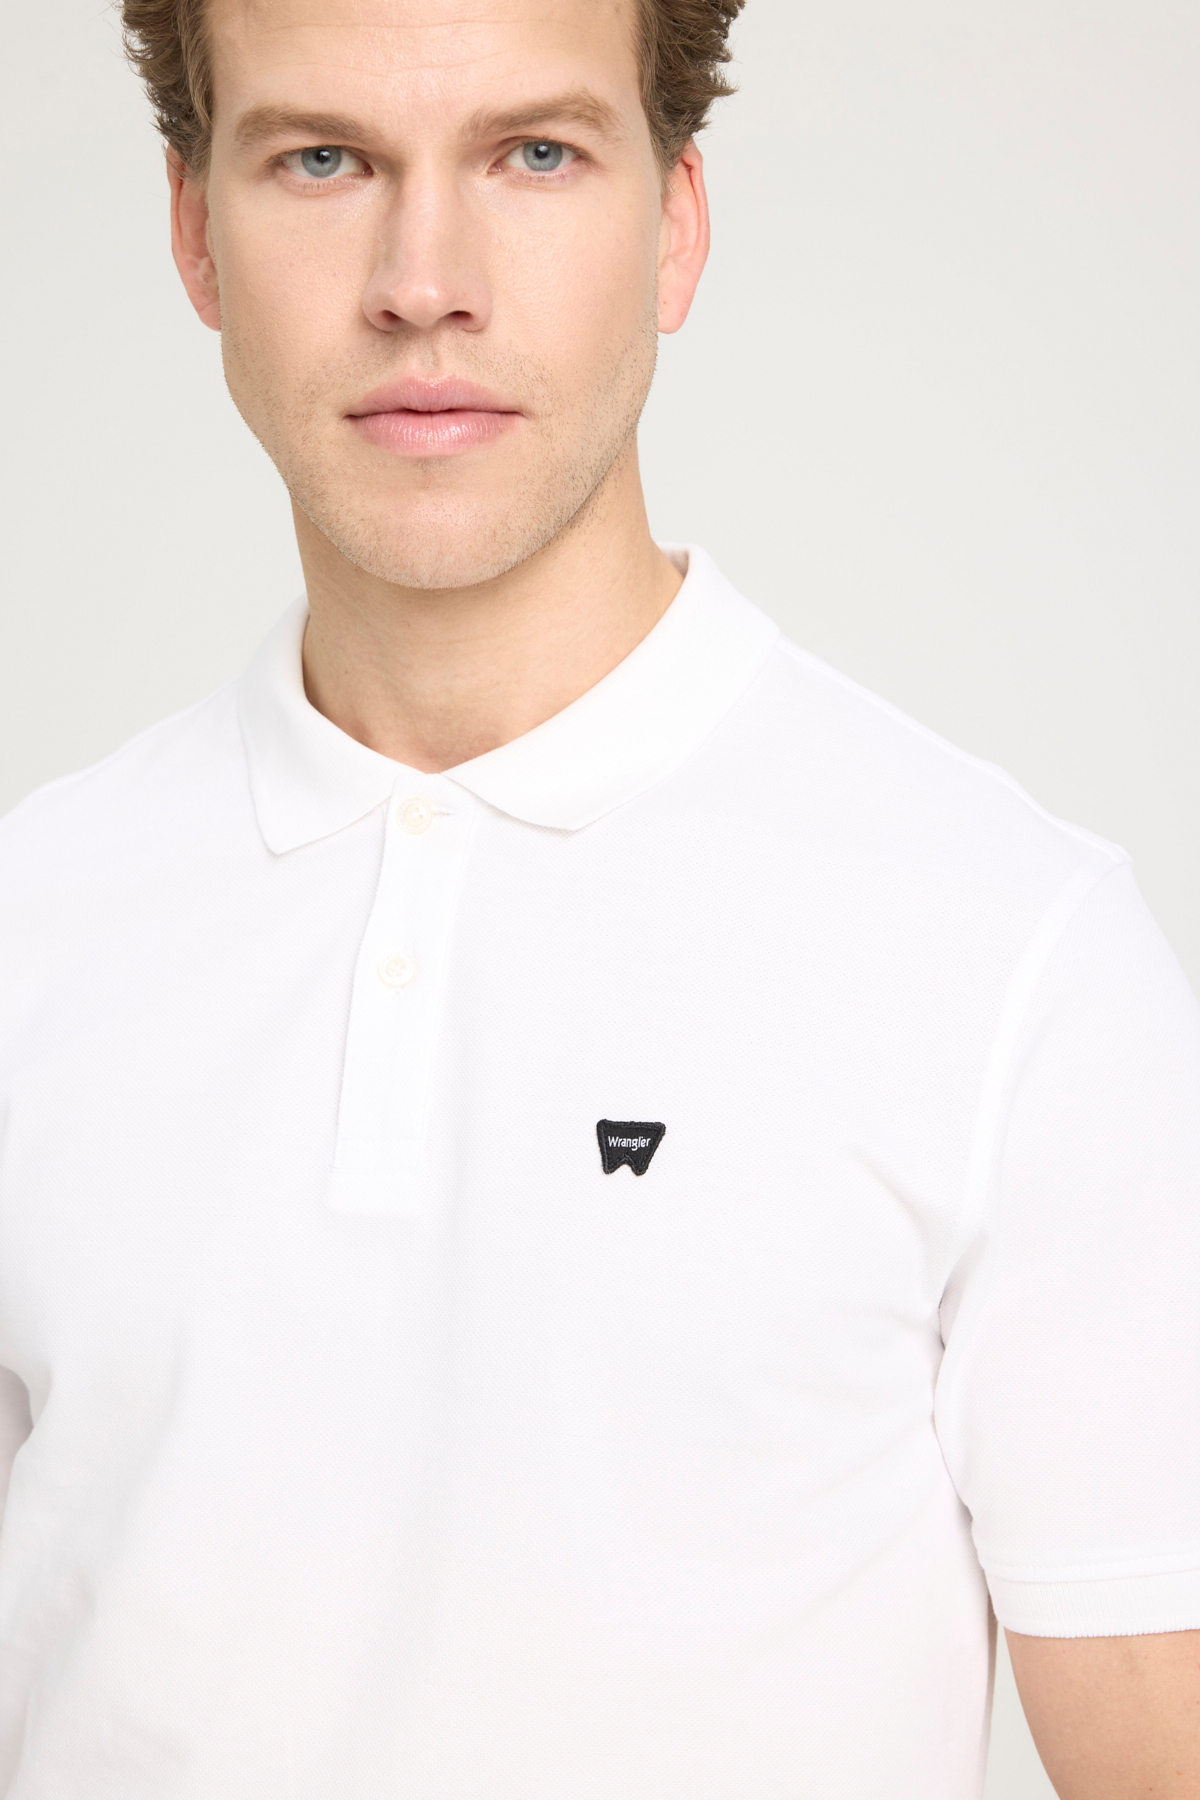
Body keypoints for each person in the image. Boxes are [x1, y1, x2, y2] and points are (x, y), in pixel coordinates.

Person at [0, 0, 1197, 1792]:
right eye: (322, 160)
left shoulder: (1014, 957)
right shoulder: (34, 922)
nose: (424, 283)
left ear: (676, 225)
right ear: (194, 234)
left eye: (535, 155)